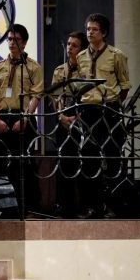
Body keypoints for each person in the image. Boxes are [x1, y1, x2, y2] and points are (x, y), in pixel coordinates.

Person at [76, 13, 131, 218]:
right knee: (88, 158)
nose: (90, 33)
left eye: (95, 29)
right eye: (88, 29)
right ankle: (93, 206)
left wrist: (113, 104)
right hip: (88, 111)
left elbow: (124, 86)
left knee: (113, 156)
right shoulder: (81, 56)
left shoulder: (116, 55)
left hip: (109, 110)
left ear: (104, 33)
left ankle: (114, 206)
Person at [0, 23, 44, 214]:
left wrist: (26, 118)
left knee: (25, 163)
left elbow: (36, 95)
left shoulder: (33, 67)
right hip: (3, 118)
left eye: (16, 40)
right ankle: (4, 207)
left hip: (24, 117)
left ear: (25, 43)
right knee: (2, 163)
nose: (12, 43)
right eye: (10, 39)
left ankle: (30, 207)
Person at [50, 31, 88, 218]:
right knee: (63, 163)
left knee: (83, 163)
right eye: (68, 44)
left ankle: (84, 206)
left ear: (82, 49)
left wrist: (78, 117)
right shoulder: (59, 70)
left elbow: (90, 96)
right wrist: (61, 116)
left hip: (82, 120)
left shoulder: (86, 70)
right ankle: (64, 207)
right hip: (63, 121)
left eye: (74, 45)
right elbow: (54, 97)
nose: (70, 48)